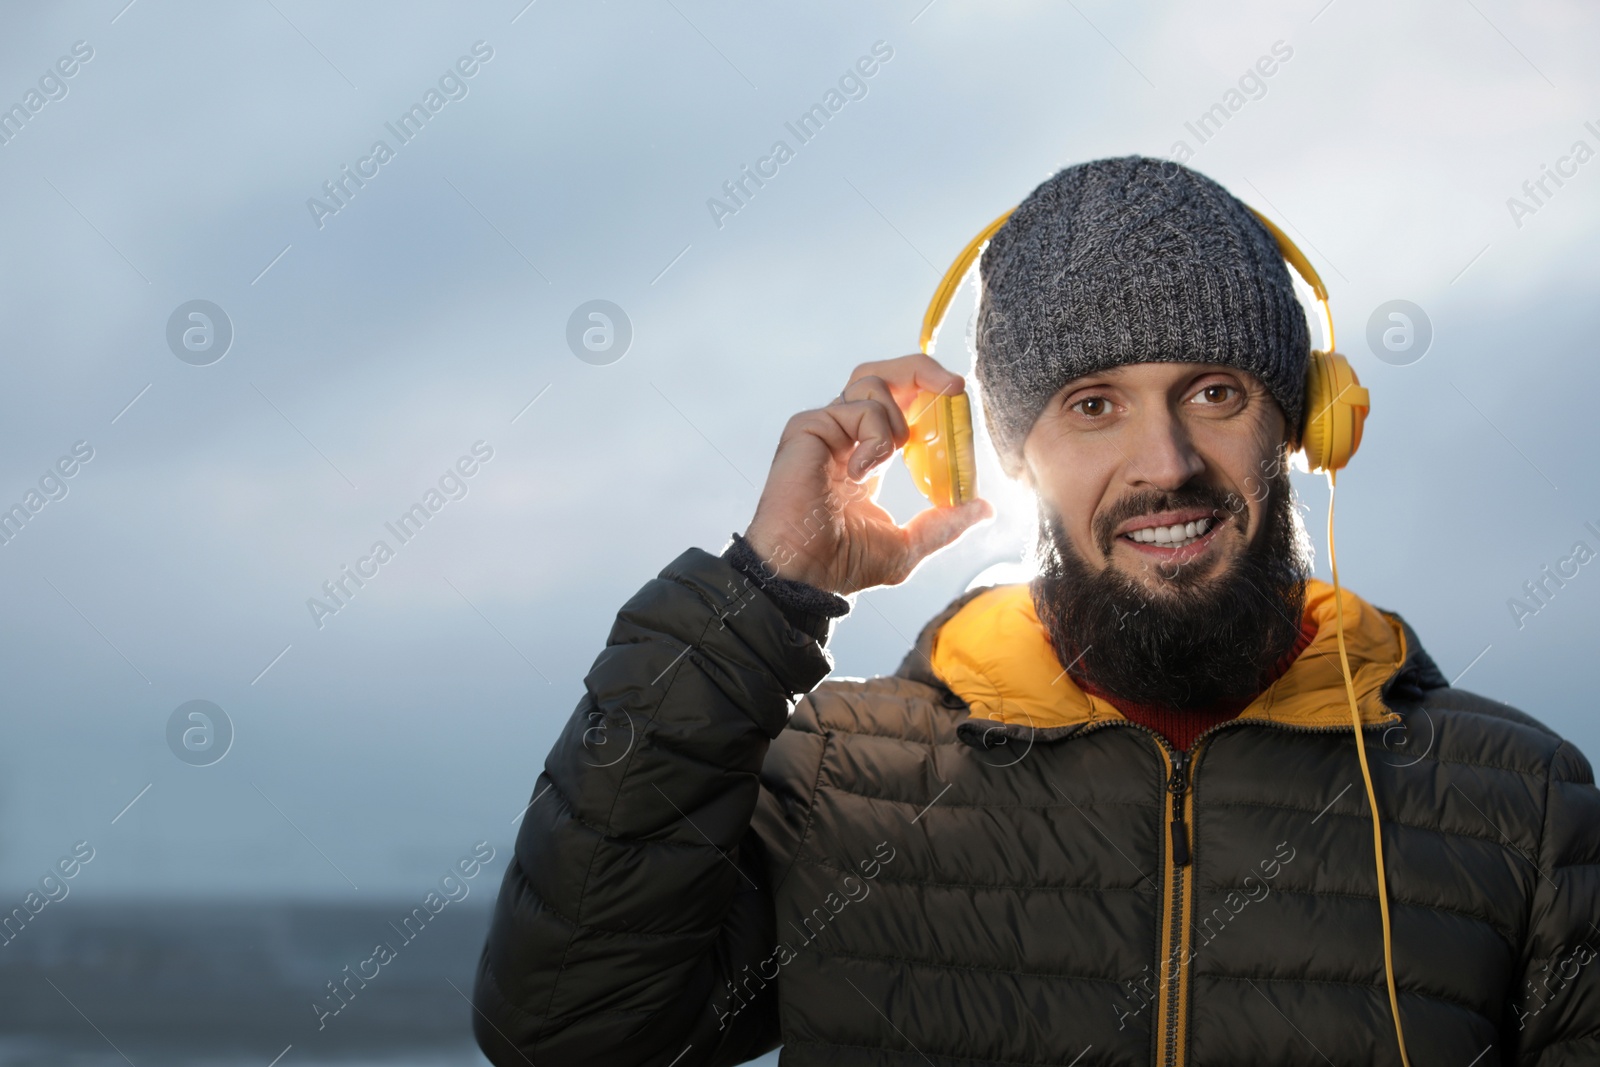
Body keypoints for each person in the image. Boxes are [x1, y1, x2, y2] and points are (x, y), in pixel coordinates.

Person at [471, 156, 1600, 1066]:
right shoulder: (841, 779)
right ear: (1006, 454)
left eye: (1213, 392)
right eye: (1092, 404)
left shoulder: (1522, 806)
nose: (1164, 463)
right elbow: (566, 1031)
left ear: (1302, 421)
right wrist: (762, 589)